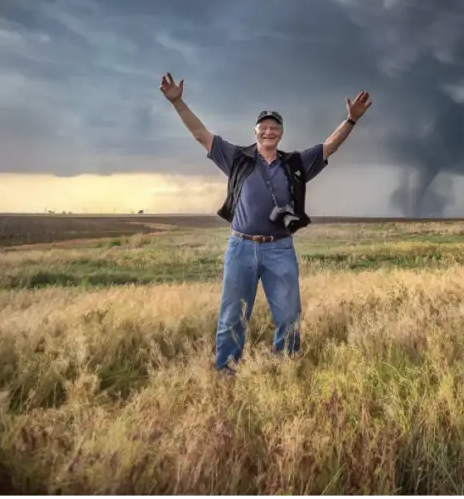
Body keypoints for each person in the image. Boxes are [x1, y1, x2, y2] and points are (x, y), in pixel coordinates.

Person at [158, 72, 372, 374]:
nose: (269, 132)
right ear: (255, 131)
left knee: (288, 317)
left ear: (281, 134)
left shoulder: (294, 164)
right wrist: (178, 102)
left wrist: (350, 120)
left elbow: (328, 147)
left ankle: (284, 368)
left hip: (279, 250)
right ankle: (226, 373)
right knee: (232, 316)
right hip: (240, 247)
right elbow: (200, 134)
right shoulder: (237, 158)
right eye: (264, 127)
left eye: (274, 128)